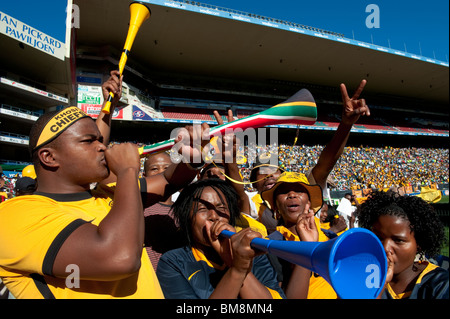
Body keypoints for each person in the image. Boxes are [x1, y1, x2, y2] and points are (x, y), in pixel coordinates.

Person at [0, 72, 208, 298]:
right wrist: (128, 171)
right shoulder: (14, 216)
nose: (102, 147)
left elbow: (169, 180)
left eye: (100, 140)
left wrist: (192, 158)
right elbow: (119, 258)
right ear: (49, 157)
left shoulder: (108, 193)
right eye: (89, 141)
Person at [249, 79, 371, 234]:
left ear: (311, 201)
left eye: (273, 170)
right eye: (263, 172)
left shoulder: (305, 186)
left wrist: (346, 124)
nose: (269, 176)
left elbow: (325, 164)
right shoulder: (253, 207)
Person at [156, 178, 285, 299]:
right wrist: (237, 269)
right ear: (187, 219)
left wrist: (237, 261)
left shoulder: (254, 253)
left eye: (221, 208)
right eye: (202, 209)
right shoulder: (173, 262)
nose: (214, 216)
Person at [261, 171, 340, 299]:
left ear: (309, 203)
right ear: (275, 207)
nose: (292, 195)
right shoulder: (270, 247)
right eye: (284, 191)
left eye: (299, 190)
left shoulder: (331, 238)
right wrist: (306, 249)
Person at [356, 190, 449, 299]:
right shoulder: (360, 278)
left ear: (419, 243)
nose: (385, 248)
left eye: (398, 240)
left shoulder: (439, 284)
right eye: (379, 238)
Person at [142, 151, 182, 270]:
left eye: (167, 168)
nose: (162, 172)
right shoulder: (138, 206)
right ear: (144, 176)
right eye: (154, 168)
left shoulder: (184, 210)